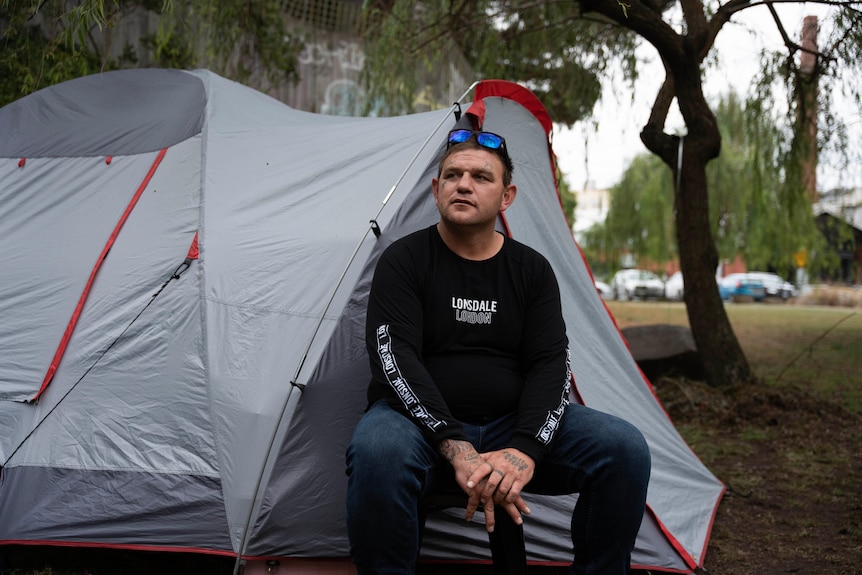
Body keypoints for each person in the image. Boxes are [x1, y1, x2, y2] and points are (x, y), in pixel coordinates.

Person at [345, 128, 651, 575]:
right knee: (376, 451)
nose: (463, 184)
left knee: (624, 448)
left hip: (513, 424)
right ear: (436, 190)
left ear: (506, 196)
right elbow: (396, 362)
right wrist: (457, 446)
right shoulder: (403, 260)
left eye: (480, 177)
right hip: (418, 429)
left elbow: (552, 365)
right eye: (452, 175)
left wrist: (524, 450)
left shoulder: (532, 270)